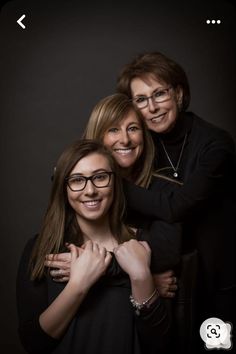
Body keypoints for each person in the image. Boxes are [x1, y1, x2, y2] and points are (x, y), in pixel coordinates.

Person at [116, 51, 236, 351]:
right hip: (169, 278)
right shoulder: (139, 144)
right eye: (141, 100)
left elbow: (176, 206)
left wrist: (109, 184)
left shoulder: (216, 145)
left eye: (159, 93)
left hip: (219, 281)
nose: (152, 107)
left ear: (179, 93)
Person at [16, 139, 171, 354]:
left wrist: (142, 277)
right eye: (77, 180)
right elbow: (33, 343)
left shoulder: (142, 248)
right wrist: (79, 284)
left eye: (100, 177)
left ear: (115, 182)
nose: (90, 190)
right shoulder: (42, 249)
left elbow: (160, 345)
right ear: (64, 188)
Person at [47, 94, 182, 298]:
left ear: (144, 136)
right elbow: (66, 248)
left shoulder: (166, 191)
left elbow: (167, 253)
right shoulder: (82, 189)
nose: (125, 139)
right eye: (113, 130)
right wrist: (147, 280)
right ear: (97, 137)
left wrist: (111, 270)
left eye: (133, 128)